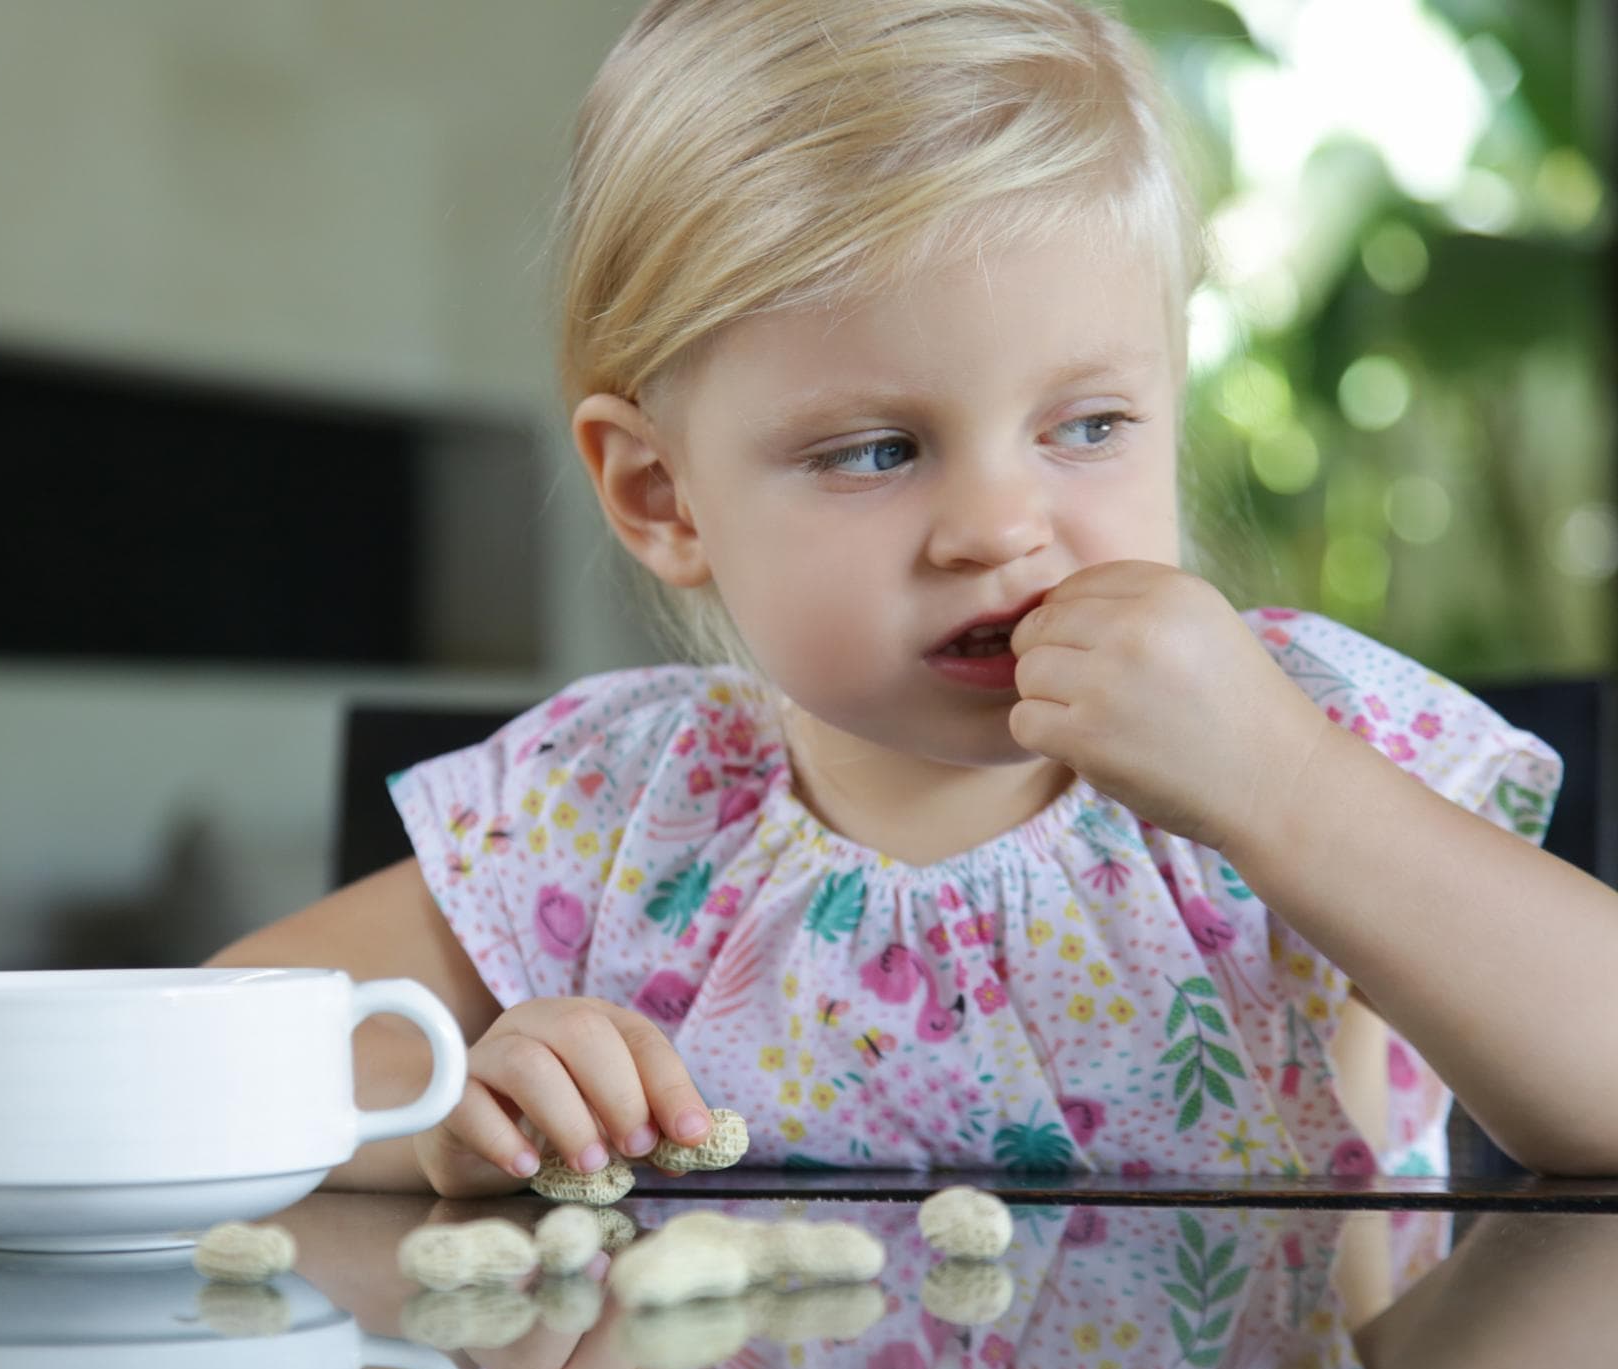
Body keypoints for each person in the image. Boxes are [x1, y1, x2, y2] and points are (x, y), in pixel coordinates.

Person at [212, 0, 1618, 1280]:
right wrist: (456, 1113)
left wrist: (1288, 788)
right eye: (880, 450)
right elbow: (211, 1054)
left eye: (1087, 426)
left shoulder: (1299, 730)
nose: (1001, 527)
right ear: (663, 495)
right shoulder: (603, 813)